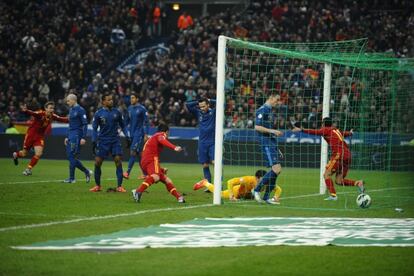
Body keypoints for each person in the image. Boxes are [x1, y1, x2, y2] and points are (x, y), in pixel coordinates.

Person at [292, 117, 365, 200]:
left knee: (326, 174)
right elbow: (344, 133)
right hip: (347, 155)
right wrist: (350, 133)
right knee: (339, 180)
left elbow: (315, 132)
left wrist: (302, 130)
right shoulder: (336, 130)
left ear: (323, 124)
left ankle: (333, 195)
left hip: (339, 155)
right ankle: (358, 183)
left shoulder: (326, 130)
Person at [132, 123, 185, 203]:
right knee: (156, 176)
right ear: (166, 132)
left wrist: (161, 169)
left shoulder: (154, 136)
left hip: (146, 160)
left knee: (166, 180)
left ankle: (179, 197)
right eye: (168, 133)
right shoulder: (160, 134)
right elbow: (162, 140)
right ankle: (138, 191)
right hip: (151, 159)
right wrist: (174, 147)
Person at [13, 102, 68, 175]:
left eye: (53, 108)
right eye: (50, 108)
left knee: (38, 153)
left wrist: (73, 119)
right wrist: (26, 110)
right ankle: (16, 155)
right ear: (46, 108)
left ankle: (28, 169)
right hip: (31, 135)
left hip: (39, 137)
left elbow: (62, 119)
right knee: (23, 153)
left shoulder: (53, 116)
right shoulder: (40, 113)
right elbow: (33, 113)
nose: (52, 109)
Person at [89, 94, 130, 192]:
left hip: (115, 140)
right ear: (103, 102)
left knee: (118, 161)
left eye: (112, 99)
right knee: (98, 162)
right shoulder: (98, 113)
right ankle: (98, 186)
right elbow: (94, 128)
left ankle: (119, 186)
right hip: (103, 141)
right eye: (109, 100)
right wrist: (94, 141)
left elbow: (123, 126)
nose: (111, 101)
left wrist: (127, 136)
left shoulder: (117, 112)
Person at [252, 94, 283, 204]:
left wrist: (277, 147)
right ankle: (256, 190)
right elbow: (257, 127)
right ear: (270, 97)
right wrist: (273, 131)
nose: (278, 102)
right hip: (266, 143)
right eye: (277, 99)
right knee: (276, 169)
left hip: (271, 143)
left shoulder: (269, 111)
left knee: (277, 170)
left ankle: (266, 197)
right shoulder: (263, 110)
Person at [193, 170, 282, 203]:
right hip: (237, 193)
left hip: (247, 196)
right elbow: (230, 182)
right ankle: (205, 183)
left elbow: (278, 189)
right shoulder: (248, 179)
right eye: (261, 179)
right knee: (220, 194)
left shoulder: (267, 182)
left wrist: (275, 197)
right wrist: (231, 196)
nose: (263, 181)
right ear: (256, 178)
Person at [185, 98, 215, 185]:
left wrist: (210, 99)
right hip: (202, 142)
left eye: (204, 106)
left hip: (212, 142)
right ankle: (209, 185)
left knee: (214, 163)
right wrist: (197, 102)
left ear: (208, 105)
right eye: (200, 106)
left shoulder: (213, 112)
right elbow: (188, 105)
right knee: (205, 164)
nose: (202, 108)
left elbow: (221, 102)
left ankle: (219, 184)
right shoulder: (198, 112)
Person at [63, 94, 92, 183]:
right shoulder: (71, 110)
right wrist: (67, 137)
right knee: (71, 157)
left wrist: (83, 137)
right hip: (71, 136)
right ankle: (86, 172)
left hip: (77, 136)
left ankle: (72, 178)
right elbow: (71, 125)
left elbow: (85, 124)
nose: (67, 103)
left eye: (68, 101)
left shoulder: (80, 110)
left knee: (72, 156)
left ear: (73, 100)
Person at [123, 93, 149, 180]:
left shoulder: (142, 109)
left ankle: (127, 172)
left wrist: (145, 134)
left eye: (133, 98)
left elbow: (146, 122)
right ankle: (145, 173)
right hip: (132, 133)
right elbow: (126, 121)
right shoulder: (129, 108)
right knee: (138, 154)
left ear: (137, 99)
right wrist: (122, 130)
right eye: (131, 98)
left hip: (139, 133)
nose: (131, 99)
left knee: (133, 152)